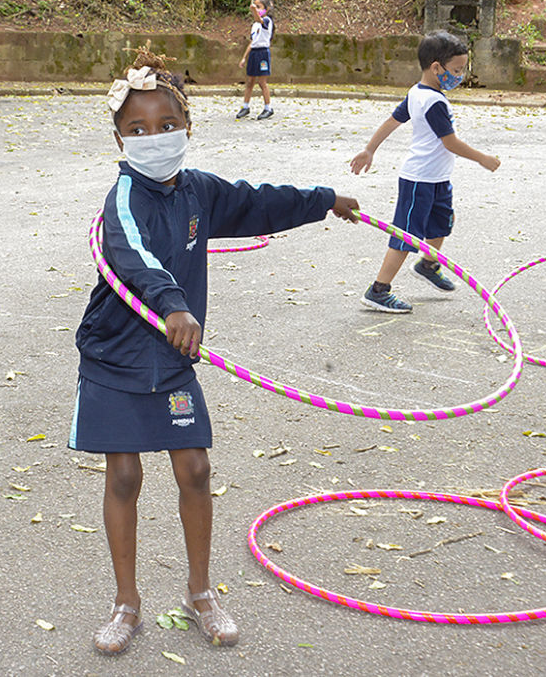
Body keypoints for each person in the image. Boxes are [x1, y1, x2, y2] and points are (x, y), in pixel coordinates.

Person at [72, 48, 360, 655]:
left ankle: (200, 592)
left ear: (188, 128)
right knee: (124, 475)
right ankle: (126, 602)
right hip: (116, 356)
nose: (155, 138)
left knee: (196, 469)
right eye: (138, 130)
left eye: (167, 125)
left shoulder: (198, 191)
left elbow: (258, 203)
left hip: (173, 357)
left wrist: (323, 200)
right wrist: (175, 305)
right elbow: (133, 258)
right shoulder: (121, 199)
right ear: (119, 139)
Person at [349, 30, 500, 313]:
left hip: (438, 179)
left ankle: (428, 264)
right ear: (436, 67)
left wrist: (370, 149)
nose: (460, 75)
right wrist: (483, 159)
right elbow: (450, 142)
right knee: (406, 235)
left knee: (441, 225)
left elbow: (393, 121)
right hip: (419, 180)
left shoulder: (418, 92)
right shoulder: (433, 102)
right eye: (456, 70)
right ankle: (378, 290)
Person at [236, 0, 274, 120]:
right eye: (256, 6)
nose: (257, 9)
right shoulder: (255, 25)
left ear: (266, 9)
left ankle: (268, 108)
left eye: (259, 7)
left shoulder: (267, 21)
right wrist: (244, 57)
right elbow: (252, 42)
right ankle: (245, 107)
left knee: (262, 82)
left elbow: (259, 19)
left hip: (263, 53)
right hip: (253, 53)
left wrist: (253, 10)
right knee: (250, 82)